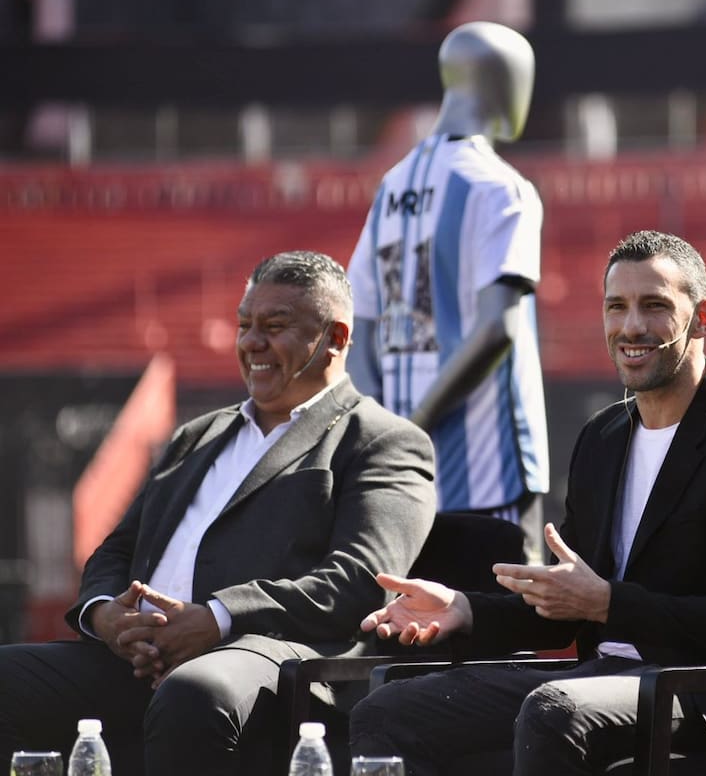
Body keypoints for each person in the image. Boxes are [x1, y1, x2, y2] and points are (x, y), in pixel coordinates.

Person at [348, 230, 706, 775]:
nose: (631, 327)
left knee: (554, 710)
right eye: (616, 307)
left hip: (703, 690)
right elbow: (562, 611)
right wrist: (463, 608)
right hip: (596, 679)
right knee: (386, 710)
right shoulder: (603, 436)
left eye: (655, 306)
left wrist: (608, 604)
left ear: (703, 317)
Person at [0, 251, 438, 776]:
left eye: (274, 327)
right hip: (143, 657)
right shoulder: (197, 436)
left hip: (274, 659)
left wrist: (215, 618)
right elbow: (118, 548)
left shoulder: (382, 441)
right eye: (244, 325)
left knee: (194, 691)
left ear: (336, 339)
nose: (252, 342)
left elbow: (362, 580)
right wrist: (105, 615)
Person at [346, 20, 549, 561]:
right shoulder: (502, 187)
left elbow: (357, 326)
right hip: (491, 466)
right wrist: (416, 427)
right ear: (508, 83)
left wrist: (385, 429)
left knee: (415, 624)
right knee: (505, 625)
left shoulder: (391, 186)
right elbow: (497, 328)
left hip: (402, 477)